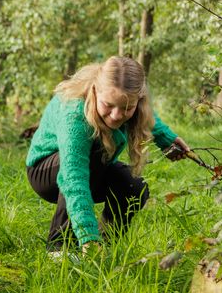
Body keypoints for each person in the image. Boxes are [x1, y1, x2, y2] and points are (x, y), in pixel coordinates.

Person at [26, 56, 190, 254]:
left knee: (134, 186)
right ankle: (60, 247)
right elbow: (73, 178)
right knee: (96, 153)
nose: (116, 115)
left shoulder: (131, 104)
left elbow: (146, 117)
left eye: (127, 108)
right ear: (95, 91)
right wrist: (87, 236)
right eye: (108, 105)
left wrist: (167, 140)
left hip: (92, 167)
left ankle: (105, 247)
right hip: (46, 172)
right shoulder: (75, 113)